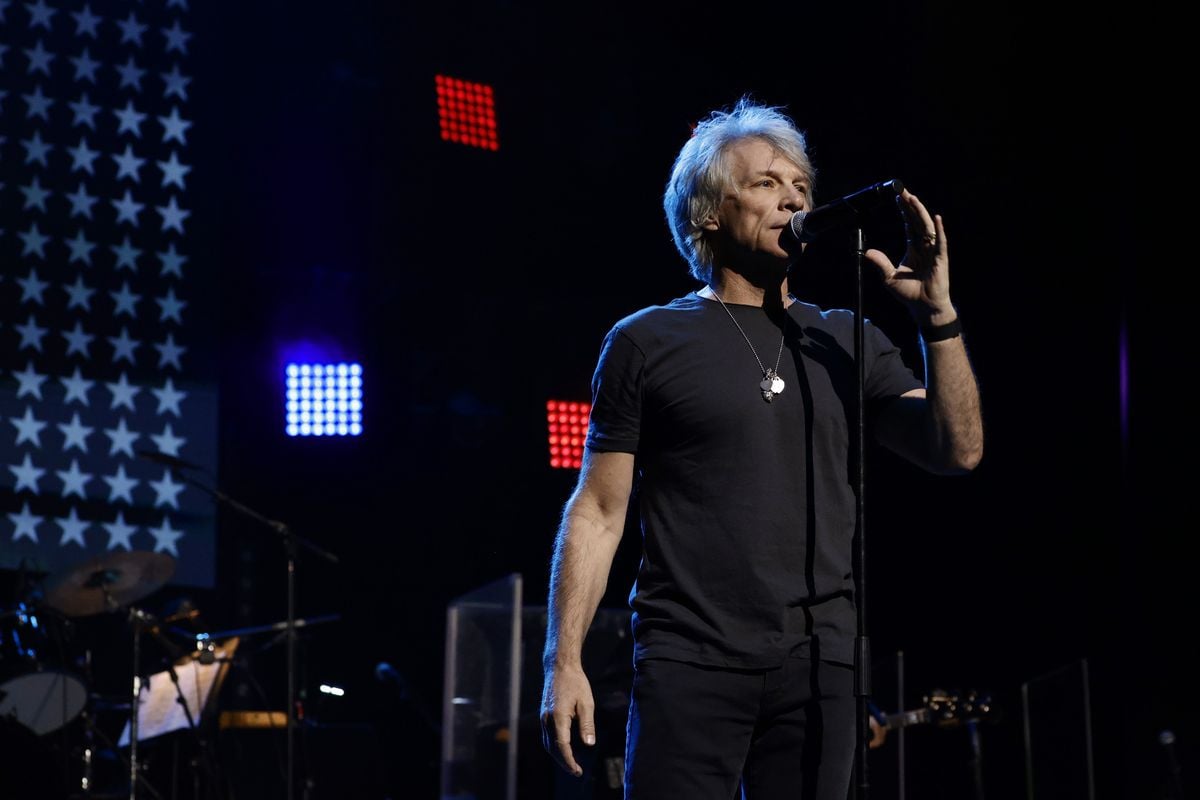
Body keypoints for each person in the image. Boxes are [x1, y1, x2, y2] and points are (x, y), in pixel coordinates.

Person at [540, 98, 983, 799]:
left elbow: (957, 450)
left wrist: (938, 320)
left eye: (802, 188)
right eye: (766, 184)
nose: (793, 200)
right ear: (710, 211)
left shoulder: (846, 337)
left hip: (820, 668)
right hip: (688, 659)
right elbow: (597, 509)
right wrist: (563, 662)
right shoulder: (646, 340)